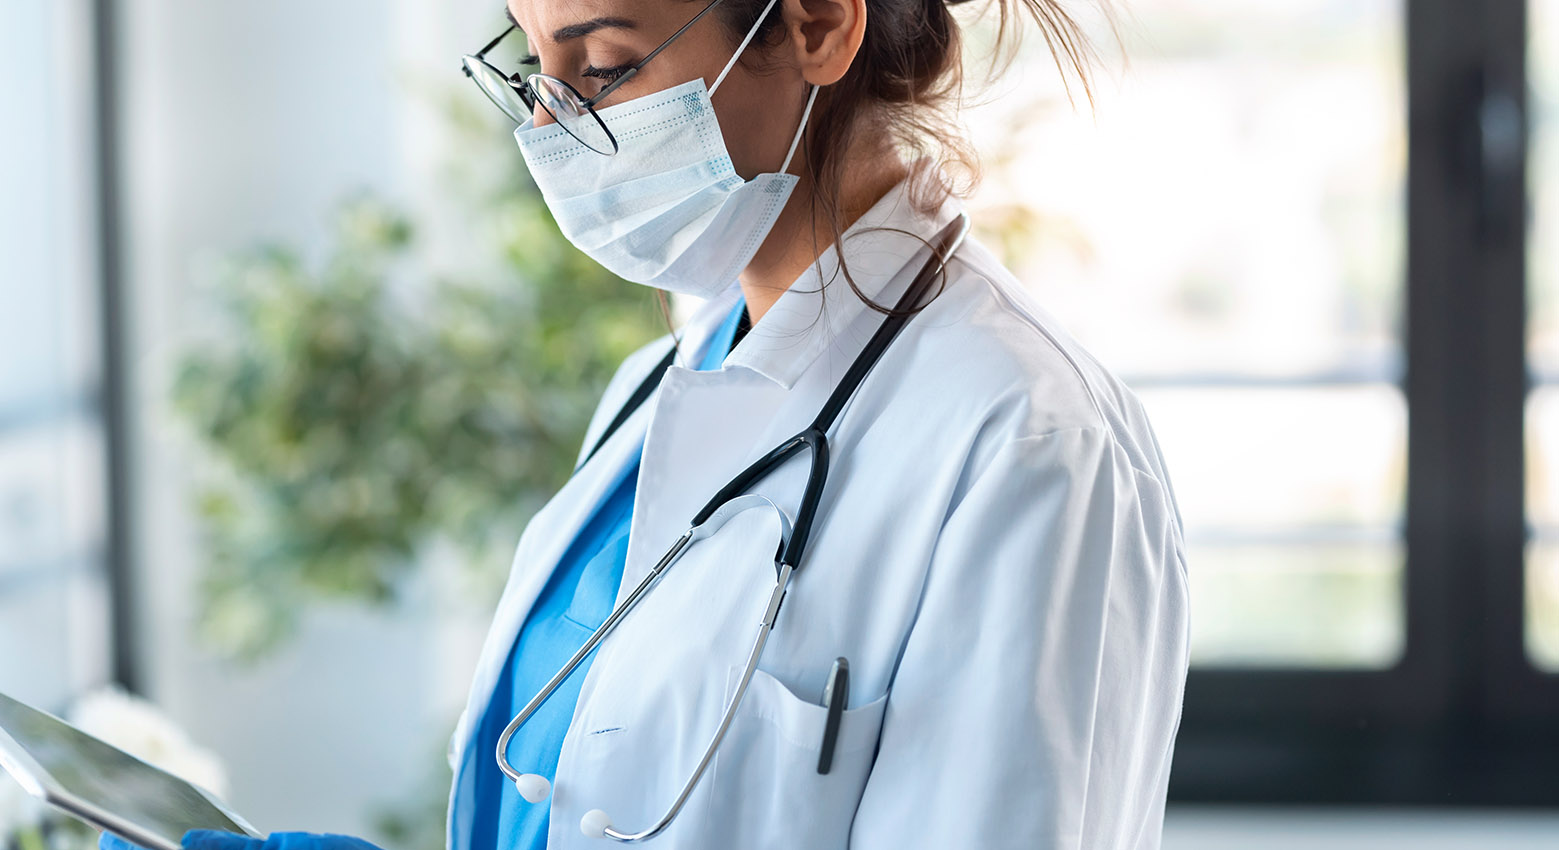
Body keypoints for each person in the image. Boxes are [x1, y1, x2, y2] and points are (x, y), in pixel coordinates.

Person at [108, 0, 1188, 847]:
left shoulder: (1026, 441)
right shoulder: (658, 386)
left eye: (608, 65)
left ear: (816, 23)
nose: (552, 126)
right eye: (533, 65)